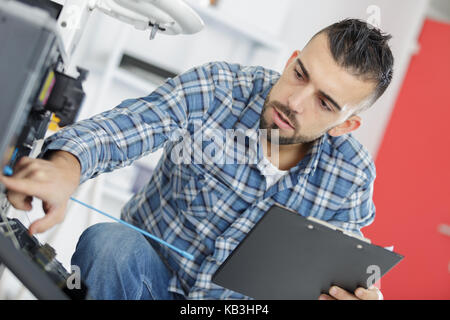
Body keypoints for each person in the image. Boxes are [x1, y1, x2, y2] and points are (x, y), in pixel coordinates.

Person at [0, 18, 393, 300]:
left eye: (323, 102)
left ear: (346, 125)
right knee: (110, 244)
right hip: (145, 282)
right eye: (299, 74)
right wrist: (67, 165)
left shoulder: (352, 175)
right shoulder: (220, 88)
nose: (294, 101)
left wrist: (356, 294)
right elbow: (130, 126)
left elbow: (346, 262)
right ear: (291, 59)